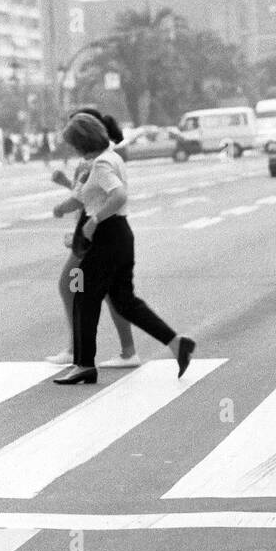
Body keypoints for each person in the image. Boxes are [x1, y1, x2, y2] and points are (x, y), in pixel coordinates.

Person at [51, 112, 195, 387]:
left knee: (83, 297)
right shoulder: (110, 158)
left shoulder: (102, 164)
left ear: (82, 142)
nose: (73, 149)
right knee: (124, 301)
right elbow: (84, 196)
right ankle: (177, 344)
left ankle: (83, 364)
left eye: (74, 144)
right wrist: (61, 208)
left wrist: (94, 221)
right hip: (120, 236)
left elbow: (118, 195)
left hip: (106, 237)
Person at [50, 106, 136, 367]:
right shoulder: (103, 159)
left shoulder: (95, 163)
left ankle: (79, 348)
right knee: (107, 292)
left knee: (70, 285)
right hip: (97, 232)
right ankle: (126, 350)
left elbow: (82, 198)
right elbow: (86, 195)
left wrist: (71, 215)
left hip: (96, 234)